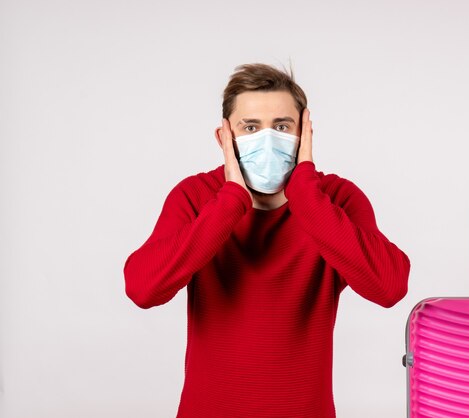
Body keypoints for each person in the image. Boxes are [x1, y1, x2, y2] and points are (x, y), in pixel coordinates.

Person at [123, 63, 411, 418]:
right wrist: (230, 200)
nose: (267, 138)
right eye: (250, 127)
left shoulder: (335, 198)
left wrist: (306, 195)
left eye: (282, 126)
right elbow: (143, 289)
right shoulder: (196, 197)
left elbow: (389, 286)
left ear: (305, 133)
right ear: (224, 137)